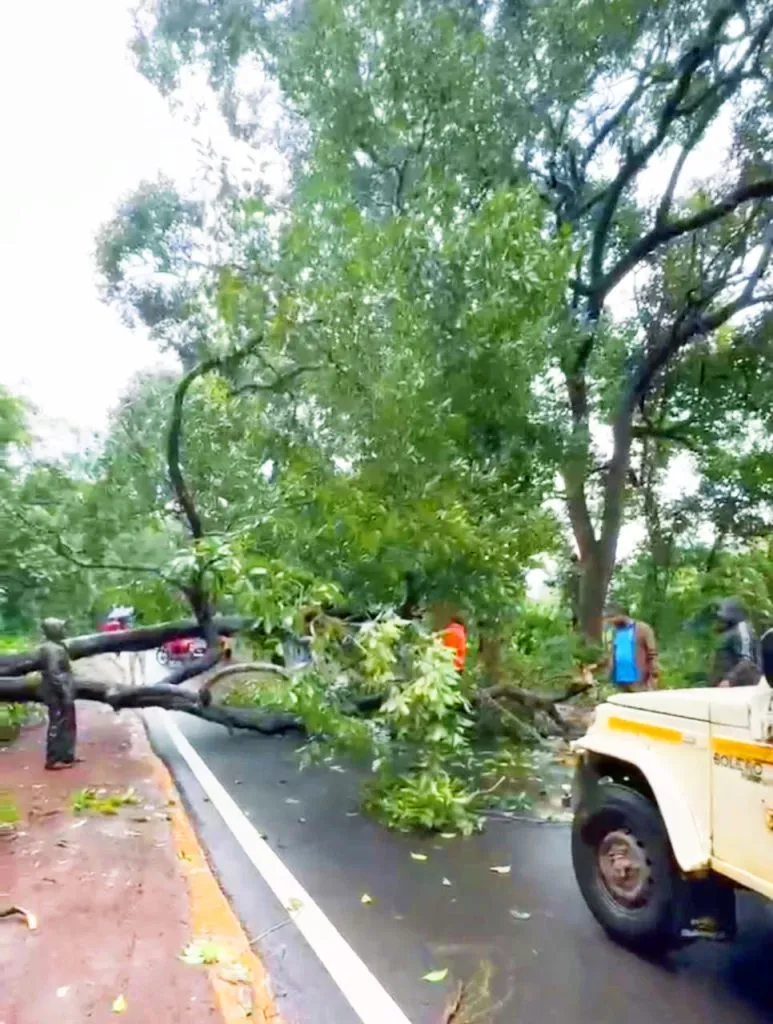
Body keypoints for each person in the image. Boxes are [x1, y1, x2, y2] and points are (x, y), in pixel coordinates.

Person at [38, 618, 79, 770]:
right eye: (60, 628)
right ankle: (53, 759)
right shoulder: (51, 649)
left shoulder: (56, 646)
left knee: (67, 723)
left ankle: (67, 755)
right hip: (57, 692)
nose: (63, 630)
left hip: (63, 690)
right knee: (58, 723)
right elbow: (54, 672)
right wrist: (64, 691)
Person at [604, 603, 659, 692]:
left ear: (621, 615)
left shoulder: (643, 629)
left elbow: (652, 653)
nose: (611, 622)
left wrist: (654, 677)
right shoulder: (615, 632)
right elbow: (613, 654)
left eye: (612, 619)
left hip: (639, 682)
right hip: (619, 681)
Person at [709, 598, 761, 687]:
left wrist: (729, 680)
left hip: (739, 687)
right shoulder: (730, 631)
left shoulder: (742, 630)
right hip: (728, 687)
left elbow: (747, 661)